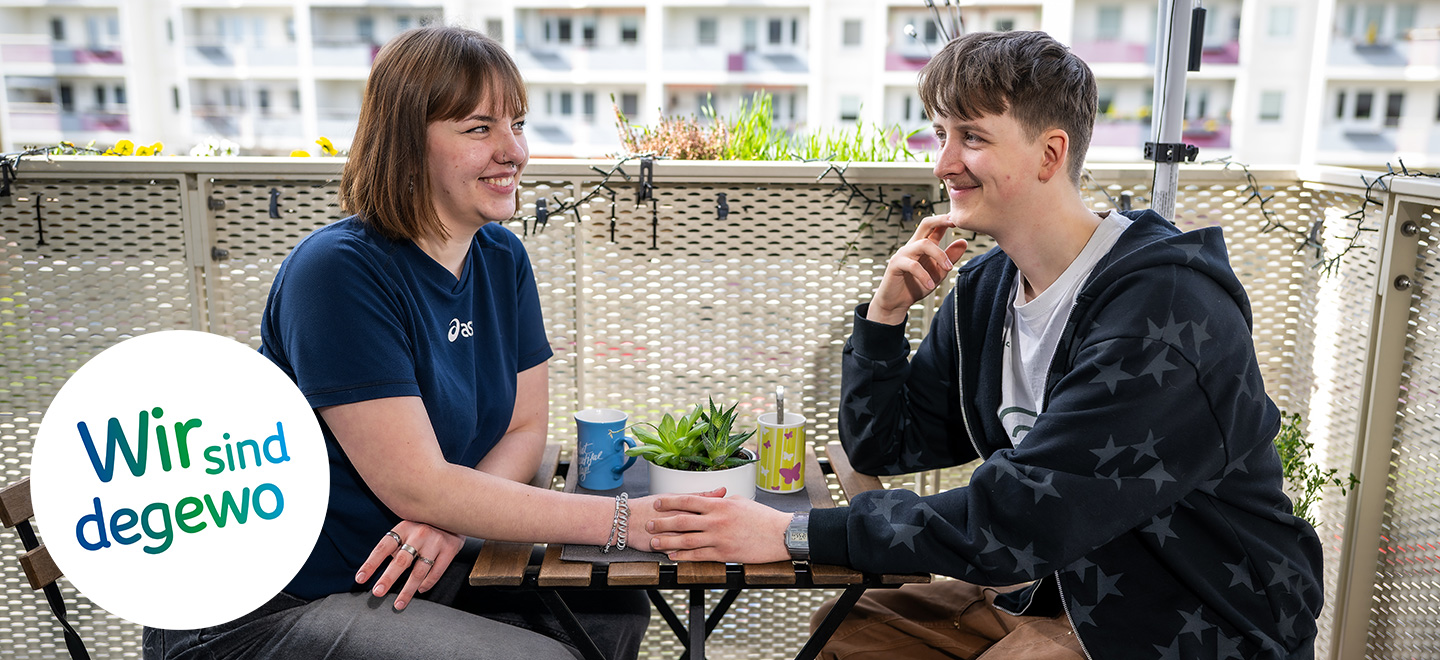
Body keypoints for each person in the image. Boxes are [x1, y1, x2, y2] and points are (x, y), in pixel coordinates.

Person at [645, 30, 1324, 659]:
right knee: (846, 635)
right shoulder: (988, 288)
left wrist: (794, 534)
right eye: (941, 133)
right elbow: (886, 445)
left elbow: (1020, 516)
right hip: (1053, 588)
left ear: (1049, 154)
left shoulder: (1166, 313)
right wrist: (884, 319)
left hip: (1189, 618)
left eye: (971, 136)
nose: (943, 162)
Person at [143, 26, 665, 660]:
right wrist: (625, 520)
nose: (514, 151)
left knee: (611, 603)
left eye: (516, 124)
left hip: (403, 566)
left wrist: (449, 514)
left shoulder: (501, 256)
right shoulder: (337, 272)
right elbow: (414, 485)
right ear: (406, 146)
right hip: (266, 606)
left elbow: (526, 428)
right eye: (478, 129)